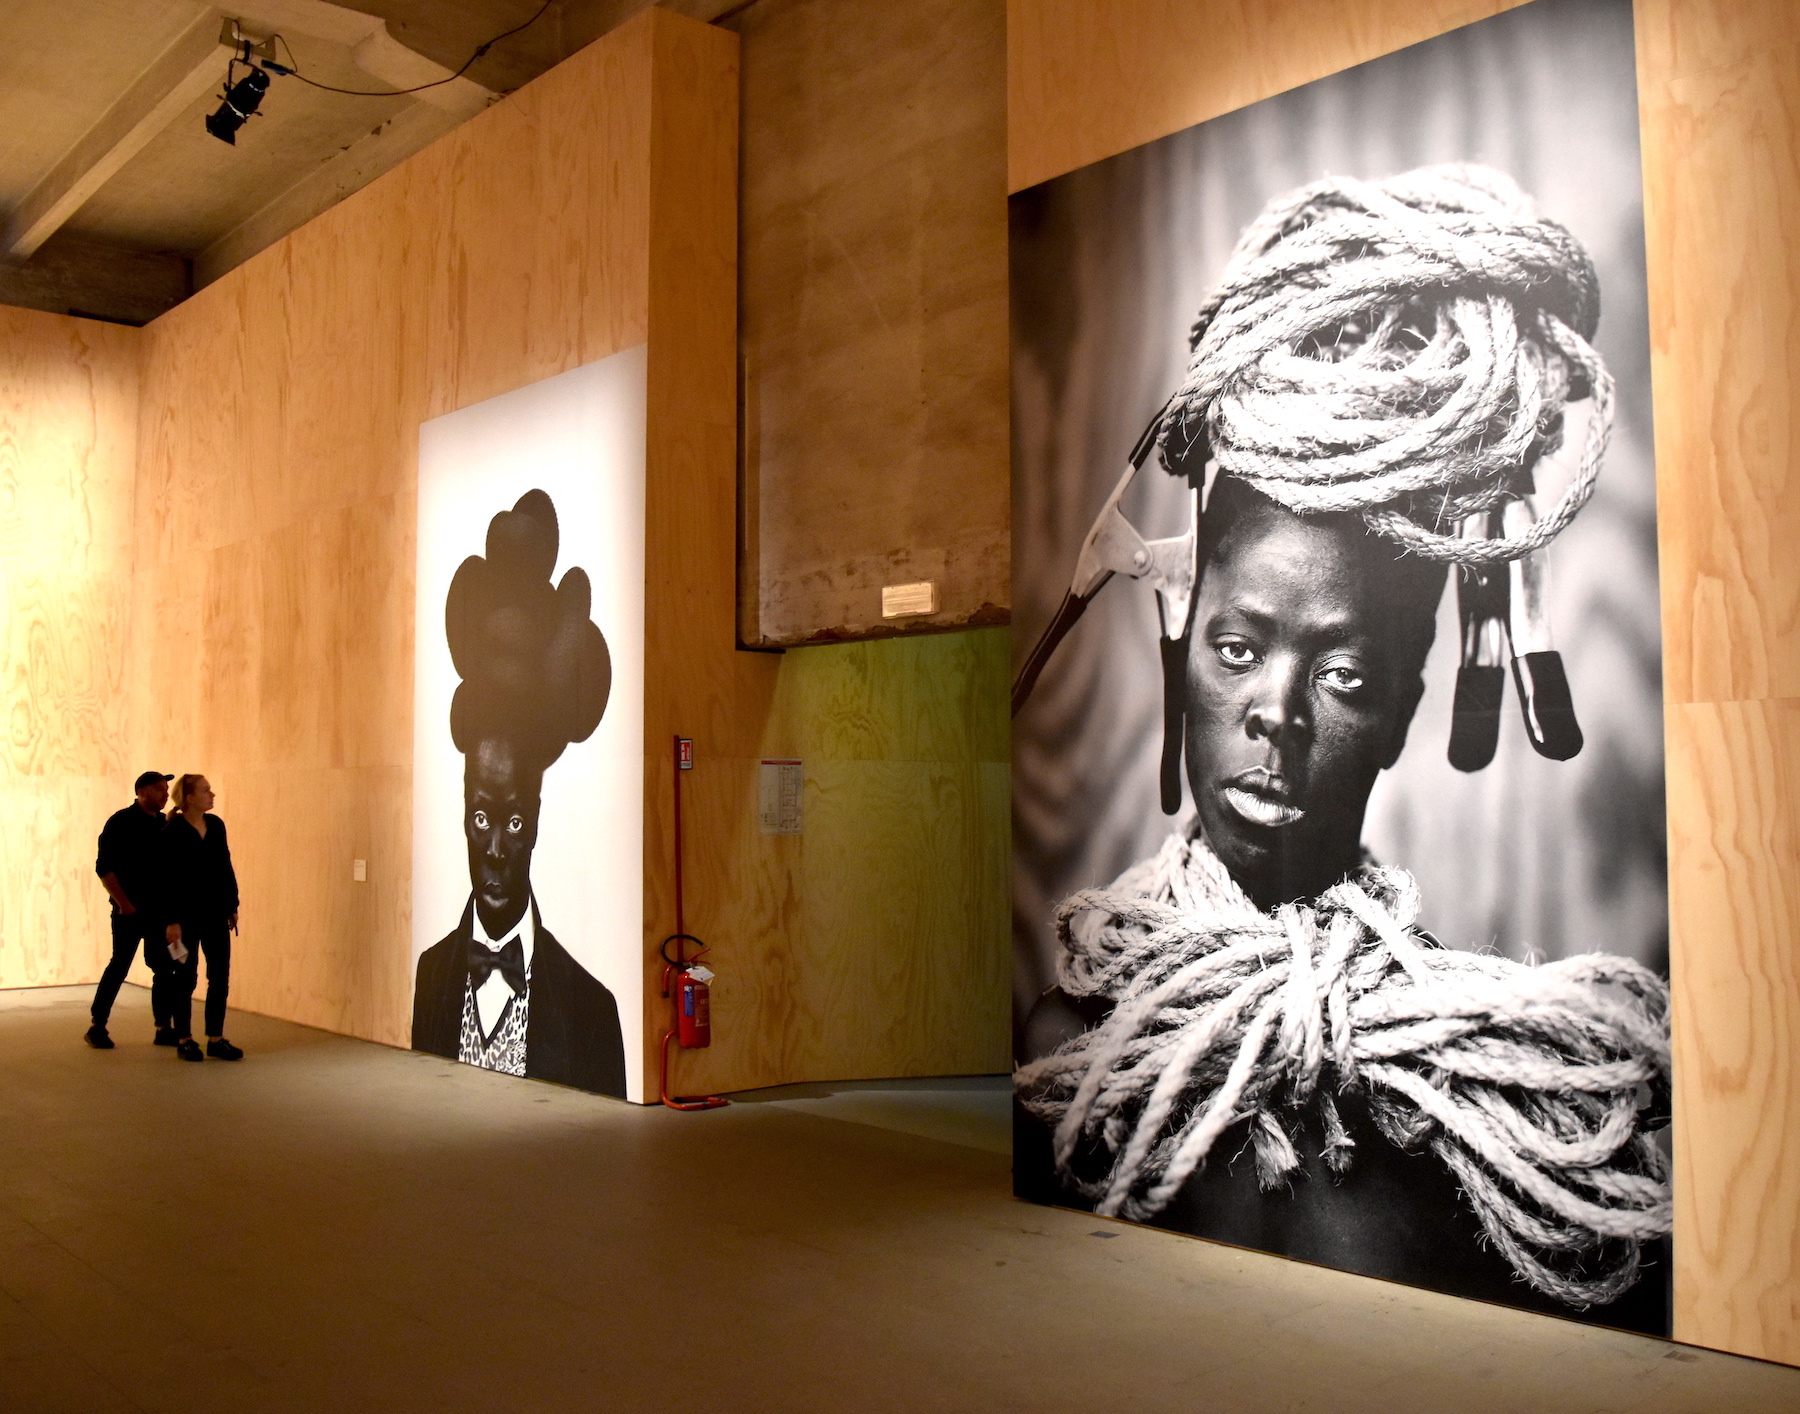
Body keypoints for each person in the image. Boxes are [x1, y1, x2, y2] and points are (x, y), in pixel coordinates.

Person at [1014, 165, 1671, 1331]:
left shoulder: (1484, 1095)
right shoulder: (1073, 1052)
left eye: (1345, 673)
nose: (1279, 712)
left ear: (1412, 703)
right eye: (1235, 647)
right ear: (1179, 645)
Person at [411, 489, 627, 1096]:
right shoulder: (431, 976)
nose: (497, 850)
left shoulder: (591, 1010)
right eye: (480, 820)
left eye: (512, 823)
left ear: (536, 819)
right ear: (460, 810)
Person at [86, 770, 174, 1048]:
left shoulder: (165, 824)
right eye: (160, 789)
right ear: (142, 791)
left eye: (166, 789)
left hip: (159, 914)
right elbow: (104, 867)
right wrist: (124, 904)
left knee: (163, 967)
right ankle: (97, 1026)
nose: (166, 794)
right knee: (119, 966)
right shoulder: (120, 822)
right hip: (129, 912)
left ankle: (163, 1027)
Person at [160, 775, 243, 1062]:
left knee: (219, 977)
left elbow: (225, 865)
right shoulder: (172, 831)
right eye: (206, 790)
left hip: (215, 913)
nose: (212, 794)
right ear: (190, 798)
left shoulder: (216, 826)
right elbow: (165, 881)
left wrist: (232, 904)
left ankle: (215, 1039)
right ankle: (185, 1039)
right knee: (185, 978)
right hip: (184, 918)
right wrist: (171, 921)